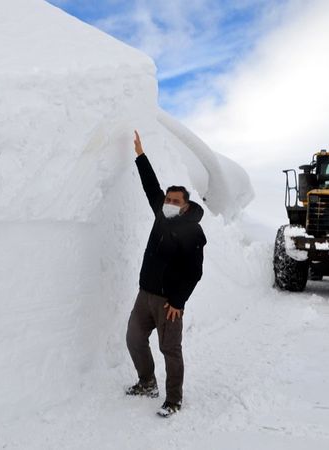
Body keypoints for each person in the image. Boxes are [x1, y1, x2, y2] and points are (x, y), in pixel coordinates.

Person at [124, 130, 207, 418]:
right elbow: (151, 187)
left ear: (185, 205)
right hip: (144, 294)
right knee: (134, 338)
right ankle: (147, 382)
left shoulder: (192, 231)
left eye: (175, 201)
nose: (169, 203)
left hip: (168, 303)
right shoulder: (161, 215)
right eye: (168, 199)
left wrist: (178, 301)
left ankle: (174, 399)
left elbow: (194, 271)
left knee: (170, 350)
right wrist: (140, 155)